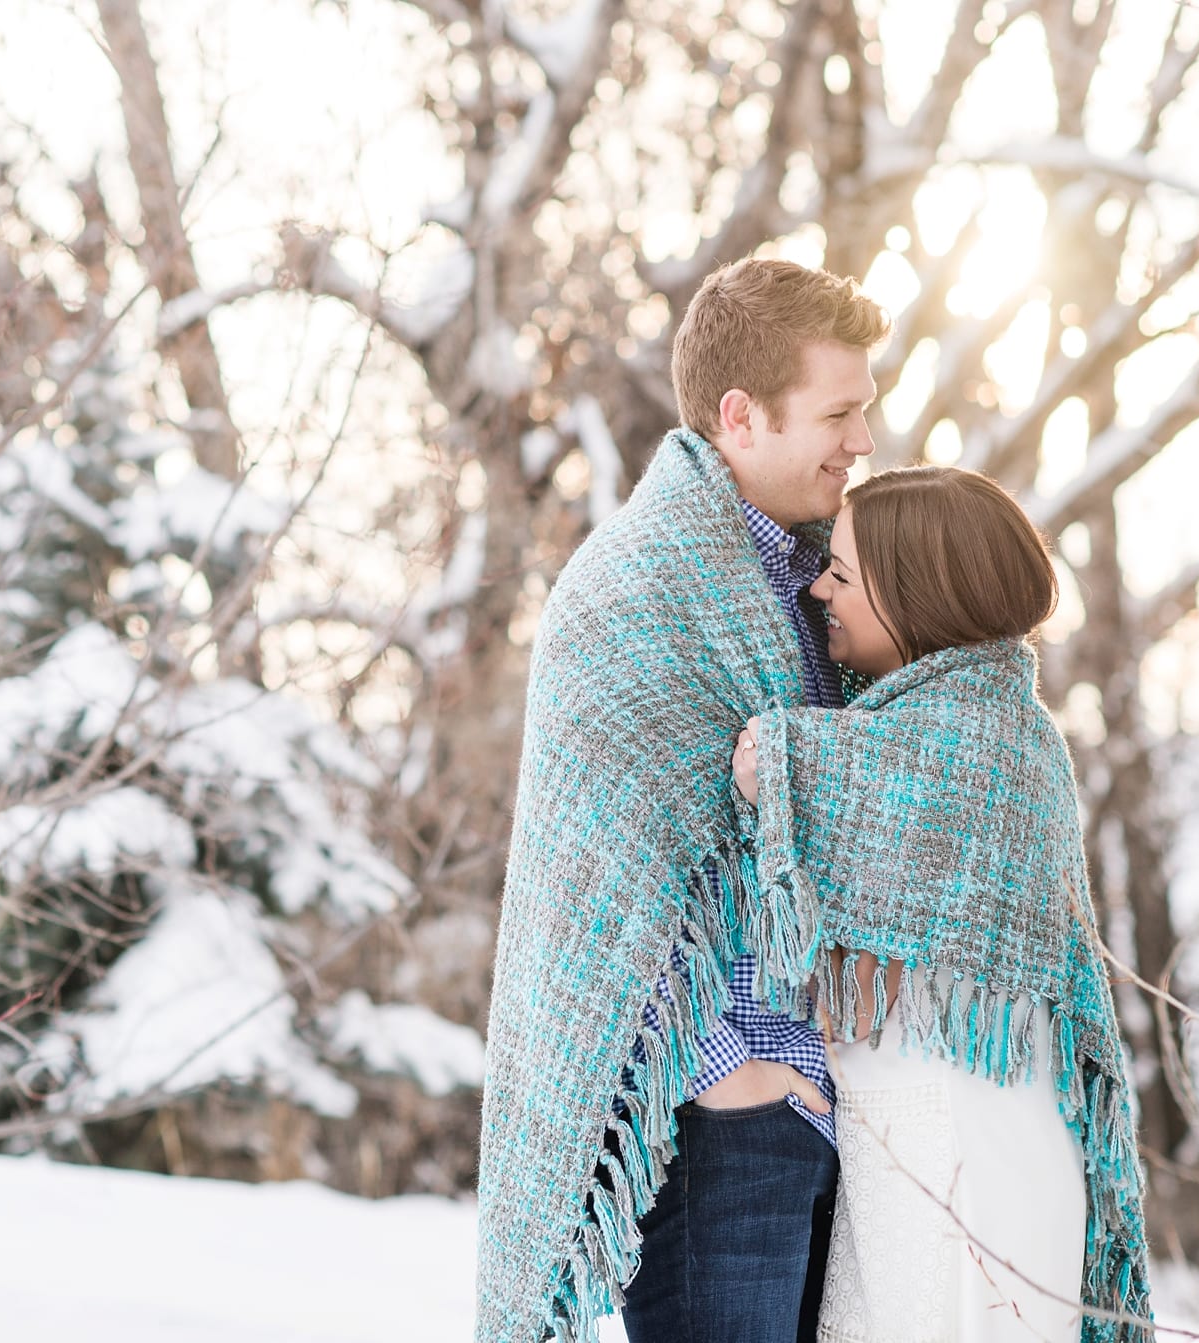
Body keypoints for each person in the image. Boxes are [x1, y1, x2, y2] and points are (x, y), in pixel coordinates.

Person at [474, 257, 886, 1343]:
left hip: (840, 1120)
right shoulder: (633, 589)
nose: (863, 439)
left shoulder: (825, 582)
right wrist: (730, 1073)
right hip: (723, 1138)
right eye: (839, 412)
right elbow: (609, 893)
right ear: (742, 416)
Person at [732, 466, 1154, 1342]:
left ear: (915, 594)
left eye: (842, 574)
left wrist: (779, 758)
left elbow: (820, 773)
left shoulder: (981, 743)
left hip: (968, 1152)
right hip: (912, 1143)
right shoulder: (949, 726)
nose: (817, 589)